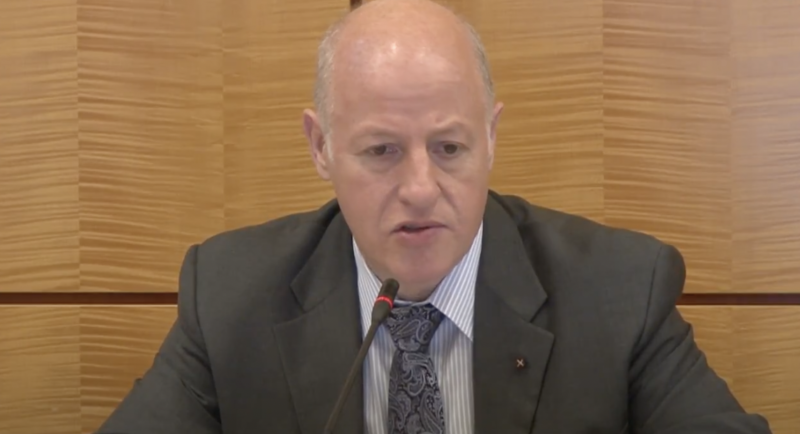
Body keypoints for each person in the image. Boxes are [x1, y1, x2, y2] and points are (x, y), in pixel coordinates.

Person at [96, 0, 773, 433]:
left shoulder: (620, 291)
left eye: (449, 148)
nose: (420, 188)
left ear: (491, 137)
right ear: (321, 146)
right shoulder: (228, 297)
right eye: (382, 151)